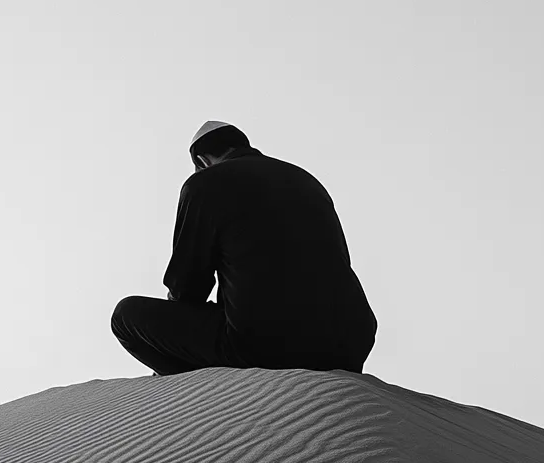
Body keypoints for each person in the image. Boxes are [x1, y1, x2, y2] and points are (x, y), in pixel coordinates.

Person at [110, 120, 377, 376]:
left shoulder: (204, 183)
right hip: (349, 347)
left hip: (267, 346)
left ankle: (200, 390)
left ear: (202, 162)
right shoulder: (307, 181)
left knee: (125, 317)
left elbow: (188, 287)